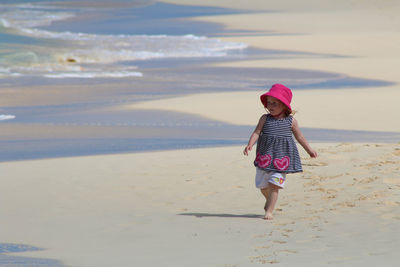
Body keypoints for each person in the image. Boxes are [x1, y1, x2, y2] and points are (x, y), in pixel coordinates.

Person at [243, 84, 317, 220]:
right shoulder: (265, 119)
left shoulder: (291, 121)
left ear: (284, 105)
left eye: (274, 103)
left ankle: (269, 211)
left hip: (281, 159)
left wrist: (309, 150)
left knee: (274, 185)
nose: (270, 105)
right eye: (269, 102)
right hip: (265, 157)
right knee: (262, 186)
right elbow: (257, 132)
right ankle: (269, 201)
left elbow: (299, 137)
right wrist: (250, 144)